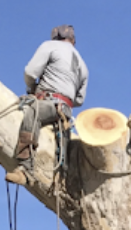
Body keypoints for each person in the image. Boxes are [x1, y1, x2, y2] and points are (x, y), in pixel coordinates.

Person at [8, 24, 89, 182]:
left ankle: (26, 167)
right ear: (73, 40)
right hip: (65, 111)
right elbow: (79, 100)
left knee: (33, 112)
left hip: (48, 103)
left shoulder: (50, 46)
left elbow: (30, 72)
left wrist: (32, 88)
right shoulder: (83, 65)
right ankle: (62, 177)